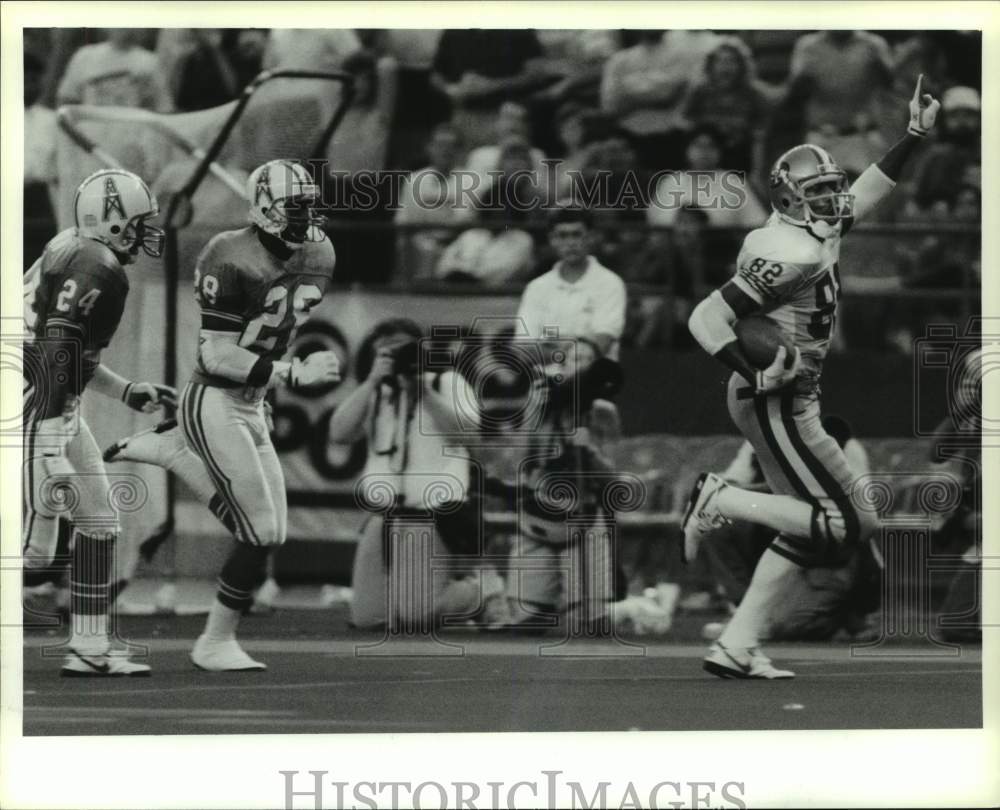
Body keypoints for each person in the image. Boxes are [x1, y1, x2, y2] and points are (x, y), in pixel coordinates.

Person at [682, 76, 942, 679]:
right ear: (787, 197)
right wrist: (755, 373)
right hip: (773, 394)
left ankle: (736, 645)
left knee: (844, 523)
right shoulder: (787, 251)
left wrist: (912, 134)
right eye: (819, 190)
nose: (833, 198)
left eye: (832, 187)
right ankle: (722, 498)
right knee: (840, 523)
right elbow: (707, 316)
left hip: (795, 393)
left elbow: (869, 188)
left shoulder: (815, 230)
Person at [108, 160, 340, 671]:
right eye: (294, 206)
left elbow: (275, 331)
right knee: (258, 530)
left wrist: (270, 384)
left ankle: (174, 454)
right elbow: (216, 355)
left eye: (309, 205)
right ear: (262, 208)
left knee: (271, 533)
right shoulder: (228, 253)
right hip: (213, 397)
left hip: (252, 400)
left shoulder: (320, 250)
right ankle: (213, 641)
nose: (305, 216)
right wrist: (291, 373)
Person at [22, 168, 174, 676]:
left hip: (46, 397)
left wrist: (127, 390)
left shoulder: (75, 247)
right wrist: (49, 442)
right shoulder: (97, 265)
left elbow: (72, 356)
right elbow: (56, 353)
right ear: (112, 221)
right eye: (138, 222)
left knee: (100, 521)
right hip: (33, 402)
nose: (145, 233)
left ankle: (89, 647)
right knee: (32, 555)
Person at [327, 319, 492, 630]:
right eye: (386, 352)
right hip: (383, 516)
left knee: (417, 616)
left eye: (402, 350)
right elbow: (339, 433)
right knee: (368, 618)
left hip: (433, 514)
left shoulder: (447, 382)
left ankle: (480, 592)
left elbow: (469, 437)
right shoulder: (376, 390)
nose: (397, 358)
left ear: (421, 349)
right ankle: (416, 596)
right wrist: (371, 381)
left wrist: (423, 392)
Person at [56, 28, 172, 112]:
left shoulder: (149, 62)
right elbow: (66, 99)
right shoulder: (85, 56)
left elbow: (163, 107)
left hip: (131, 131)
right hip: (90, 130)